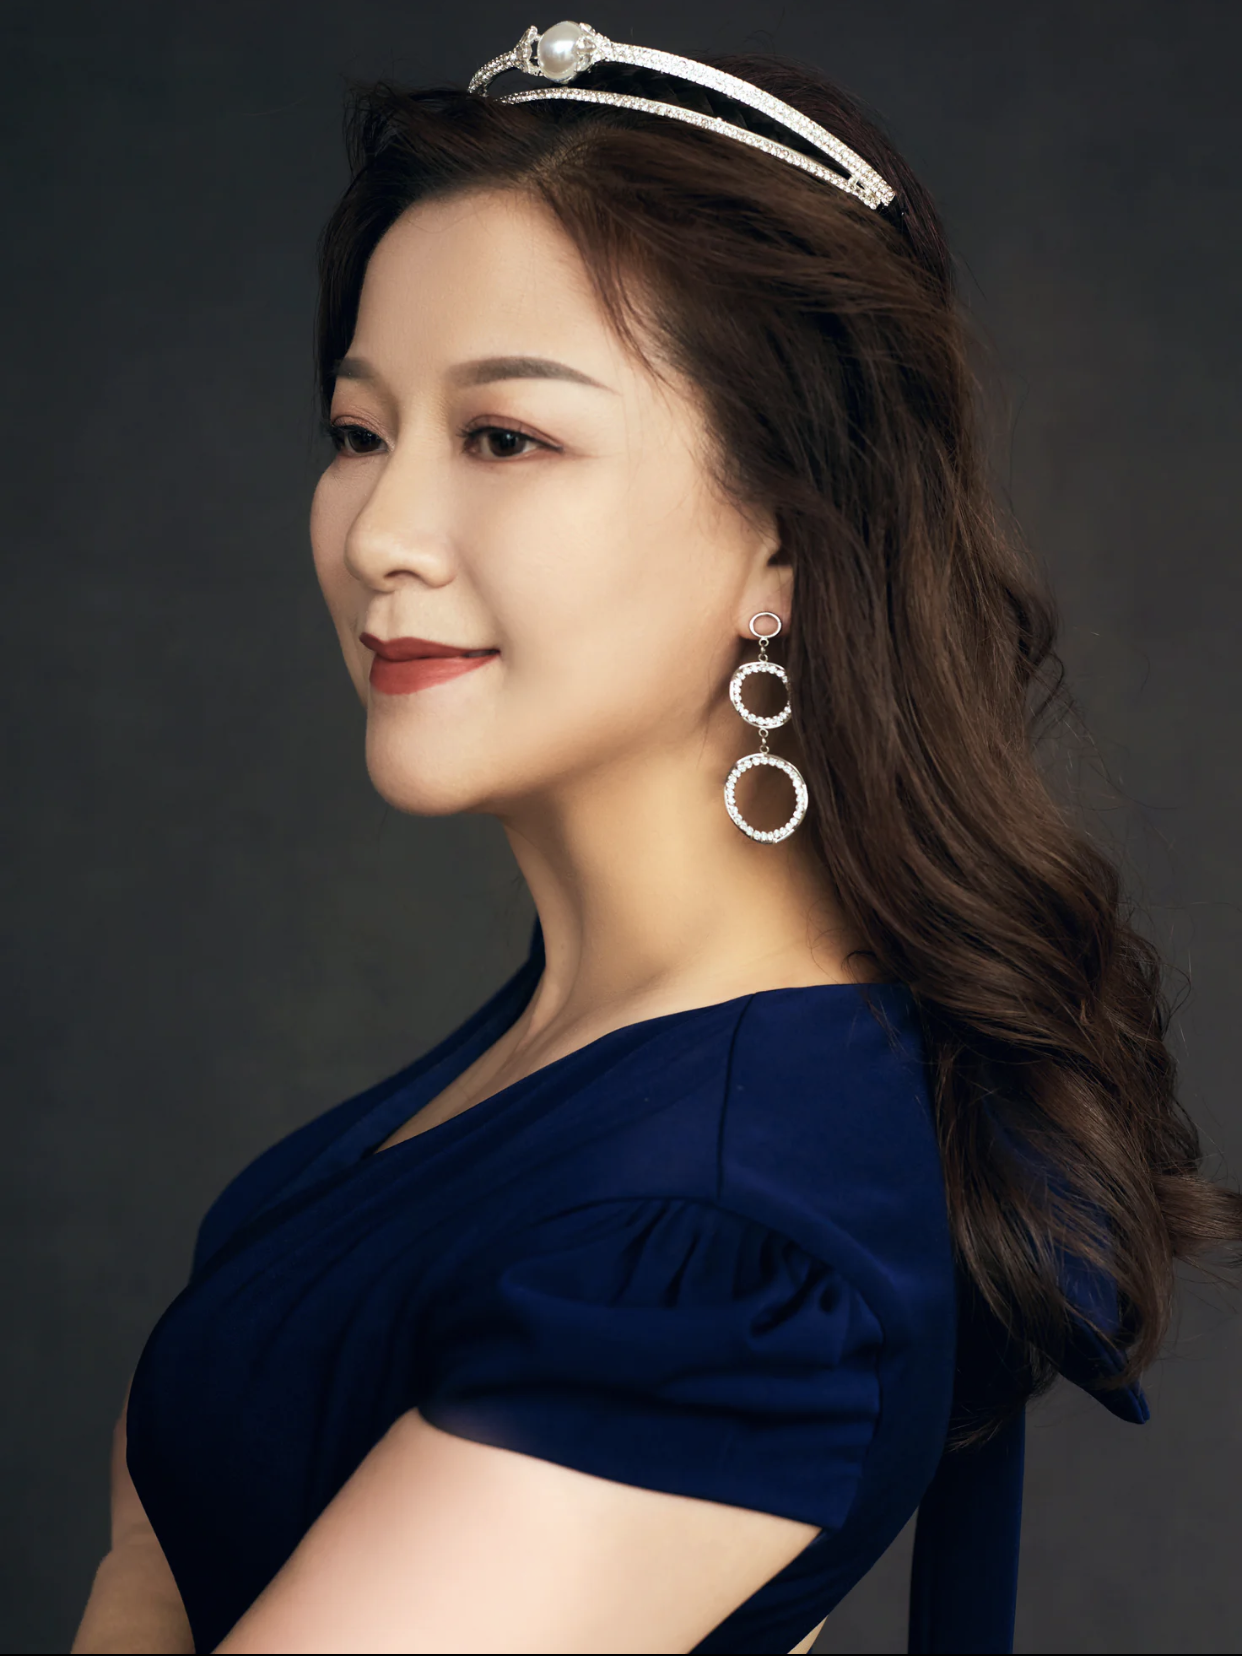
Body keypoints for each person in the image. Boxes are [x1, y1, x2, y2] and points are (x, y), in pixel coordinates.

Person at [70, 23, 1242, 1656]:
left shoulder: (722, 1239)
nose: (381, 533)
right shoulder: (584, 1060)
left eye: (504, 437)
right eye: (356, 432)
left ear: (783, 539)